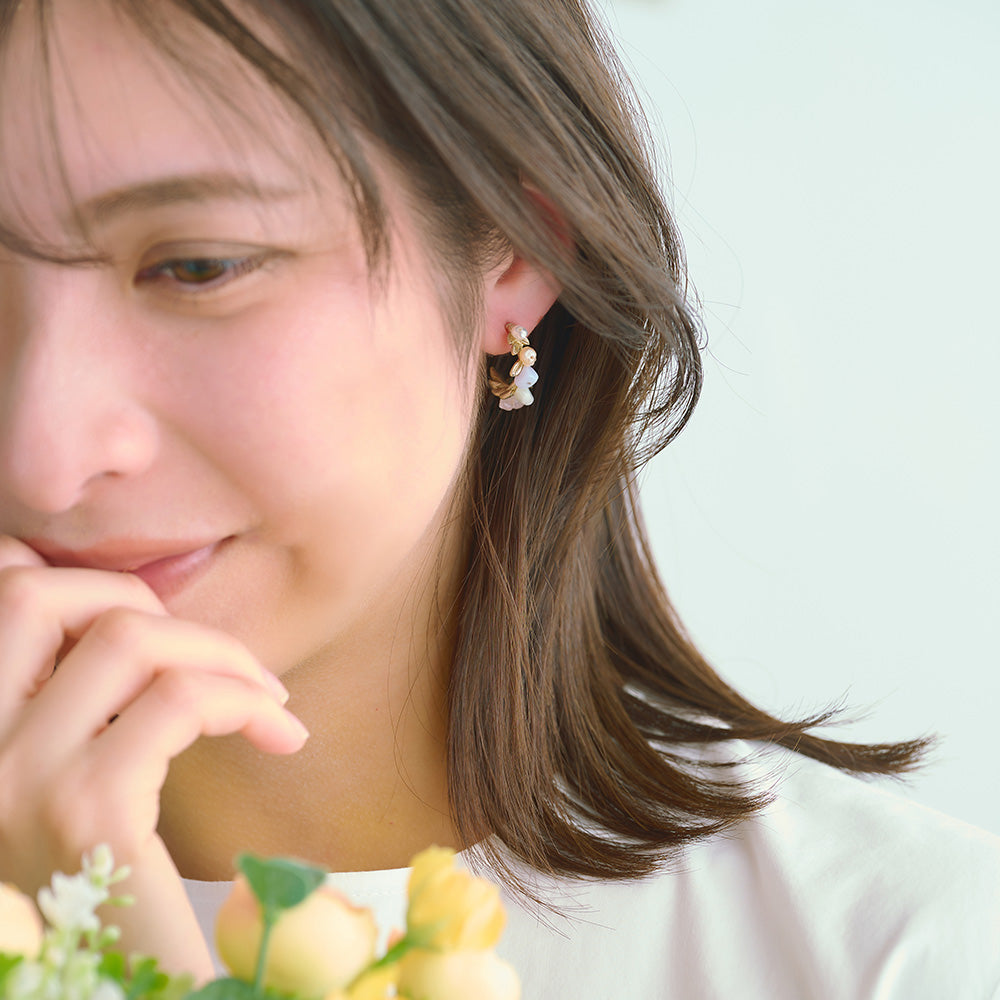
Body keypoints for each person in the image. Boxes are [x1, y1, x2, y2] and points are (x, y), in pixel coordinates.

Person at [0, 0, 997, 997]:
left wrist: (98, 954)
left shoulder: (899, 953)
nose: (39, 459)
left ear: (512, 249)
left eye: (196, 266)